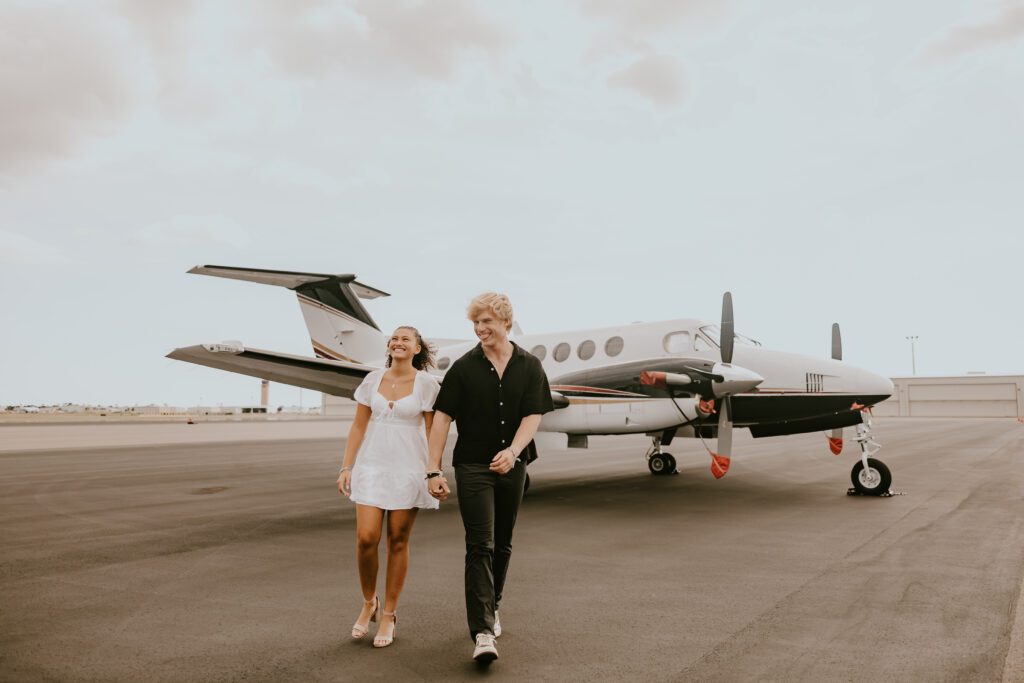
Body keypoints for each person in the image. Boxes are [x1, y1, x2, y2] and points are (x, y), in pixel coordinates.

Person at [426, 293, 553, 664]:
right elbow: (441, 420)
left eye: (487, 322)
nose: (481, 329)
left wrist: (513, 452)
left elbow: (533, 415)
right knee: (479, 544)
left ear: (505, 323)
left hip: (514, 465)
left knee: (503, 543)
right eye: (476, 323)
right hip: (472, 468)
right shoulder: (464, 368)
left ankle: (492, 605)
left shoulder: (530, 365)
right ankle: (482, 632)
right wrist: (433, 470)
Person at [337, 326, 440, 648]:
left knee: (398, 540)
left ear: (417, 348)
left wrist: (433, 471)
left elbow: (433, 429)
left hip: (408, 467)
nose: (398, 342)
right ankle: (370, 601)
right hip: (372, 465)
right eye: (394, 338)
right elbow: (358, 426)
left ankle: (389, 615)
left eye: (405, 339)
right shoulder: (372, 380)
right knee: (367, 538)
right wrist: (346, 466)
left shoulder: (426, 384)